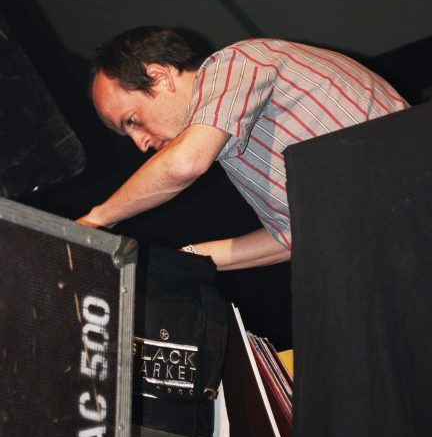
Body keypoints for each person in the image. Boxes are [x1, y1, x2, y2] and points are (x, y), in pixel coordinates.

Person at [76, 26, 408, 269]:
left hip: (418, 193)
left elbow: (184, 164)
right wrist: (182, 261)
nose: (141, 143)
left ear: (161, 77)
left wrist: (97, 220)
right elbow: (296, 236)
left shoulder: (235, 63)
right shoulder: (233, 142)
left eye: (132, 121)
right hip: (395, 233)